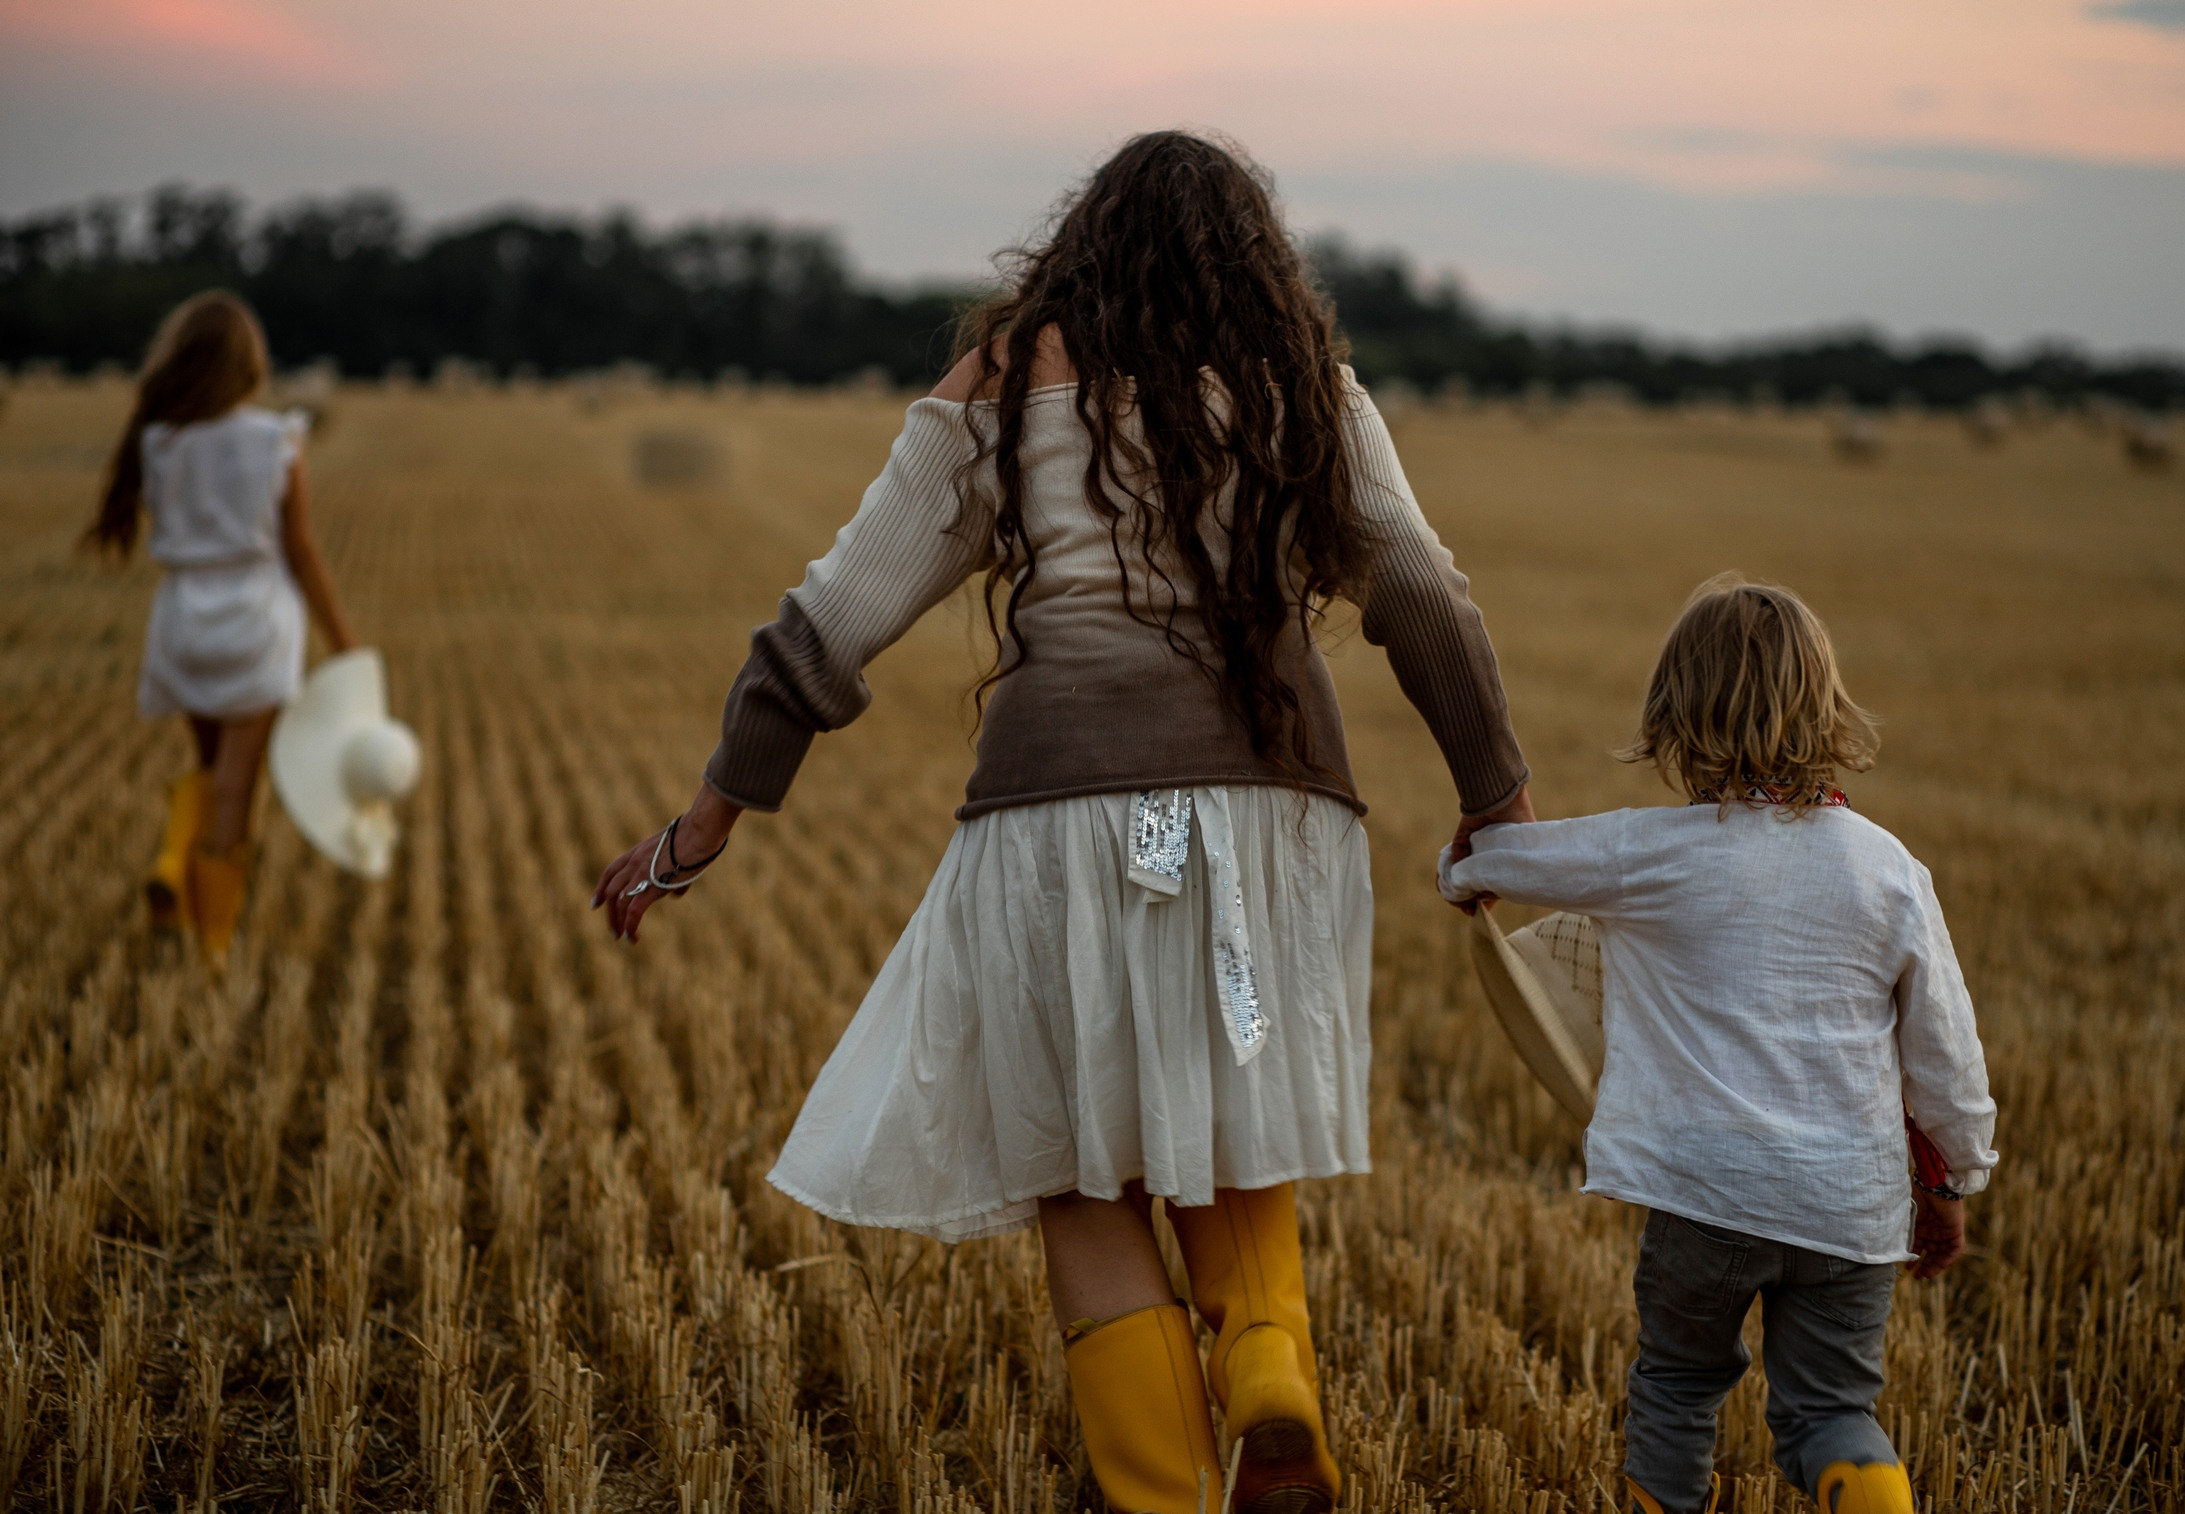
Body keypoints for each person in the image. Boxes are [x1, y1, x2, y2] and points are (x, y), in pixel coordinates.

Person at [592, 130, 1532, 1513]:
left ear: (1081, 245)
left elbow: (833, 618)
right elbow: (1426, 600)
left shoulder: (1003, 379)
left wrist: (701, 826)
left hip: (1060, 817)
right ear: (1260, 263)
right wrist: (1496, 795)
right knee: (1232, 1123)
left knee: (1080, 1183)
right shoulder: (1304, 391)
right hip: (1270, 818)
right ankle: (1267, 1363)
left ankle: (1162, 1492)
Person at [1437, 575, 1997, 1514]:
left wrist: (1466, 865)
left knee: (1678, 1386)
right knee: (1833, 1414)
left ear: (1674, 715)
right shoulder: (1889, 871)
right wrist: (1950, 1185)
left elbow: (1491, 864)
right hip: (1849, 1207)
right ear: (1827, 708)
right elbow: (1947, 1057)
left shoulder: (1652, 852)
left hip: (1704, 1198)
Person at [89, 290, 357, 969]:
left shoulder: (157, 440)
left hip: (182, 620)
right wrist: (344, 643)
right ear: (248, 365)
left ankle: (174, 859)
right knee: (237, 784)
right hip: (254, 620)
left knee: (207, 767)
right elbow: (301, 551)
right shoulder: (277, 441)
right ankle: (212, 940)